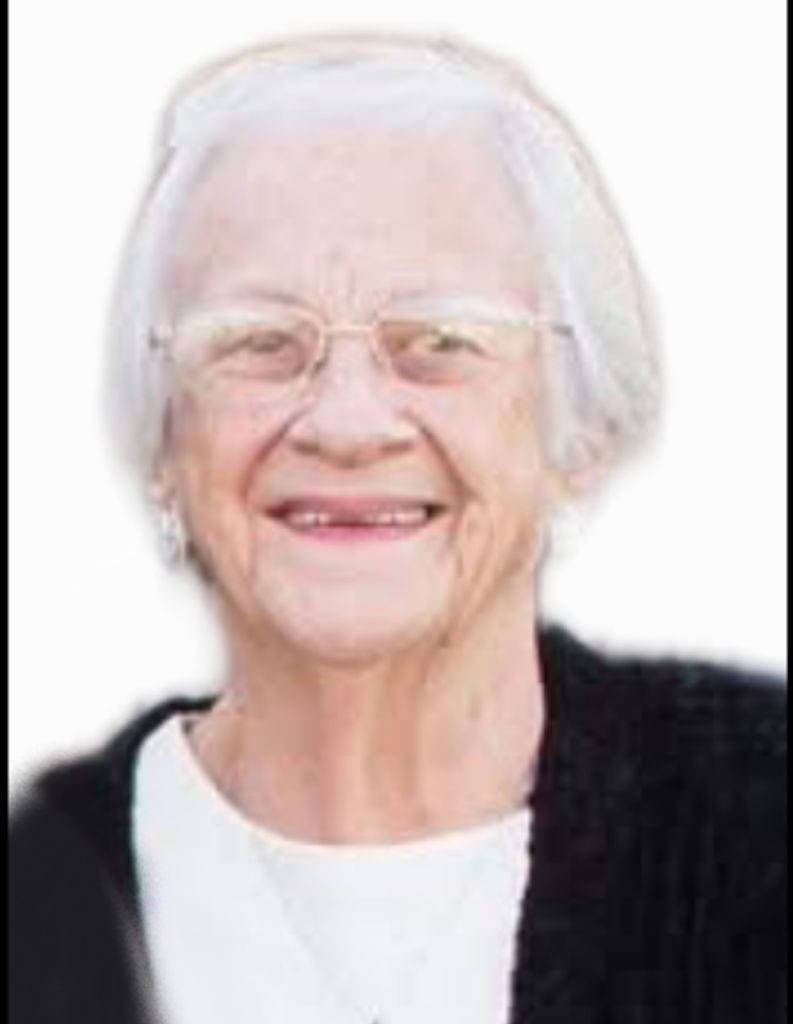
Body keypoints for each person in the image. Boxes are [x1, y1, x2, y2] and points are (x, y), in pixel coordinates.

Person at [9, 32, 786, 1024]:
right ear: (163, 441)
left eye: (440, 340)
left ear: (578, 431)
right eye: (259, 341)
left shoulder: (755, 831)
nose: (347, 423)